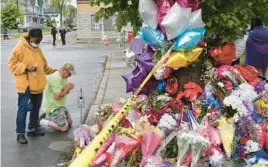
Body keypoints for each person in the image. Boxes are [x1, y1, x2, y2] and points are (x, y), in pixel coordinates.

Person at [8, 28, 57, 144]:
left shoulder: (37, 49)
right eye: (36, 40)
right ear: (30, 37)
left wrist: (54, 70)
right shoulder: (20, 47)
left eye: (40, 40)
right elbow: (12, 64)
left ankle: (32, 128)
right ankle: (20, 134)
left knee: (35, 109)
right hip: (25, 86)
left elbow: (43, 66)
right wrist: (25, 67)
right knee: (23, 110)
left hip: (38, 86)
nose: (38, 42)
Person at [40, 63, 75, 132]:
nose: (70, 76)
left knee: (70, 122)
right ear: (64, 70)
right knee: (64, 128)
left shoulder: (64, 77)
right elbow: (57, 96)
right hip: (53, 107)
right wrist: (67, 89)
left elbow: (63, 91)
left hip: (59, 106)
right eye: (69, 73)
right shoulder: (56, 78)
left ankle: (52, 118)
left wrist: (68, 88)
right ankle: (43, 121)